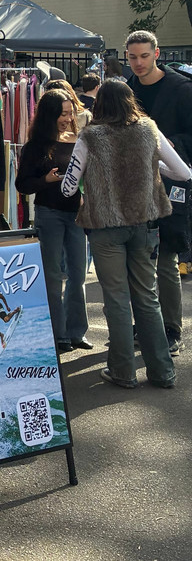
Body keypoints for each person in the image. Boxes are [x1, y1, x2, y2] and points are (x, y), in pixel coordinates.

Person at [61, 79, 190, 388]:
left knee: (117, 300)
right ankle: (163, 372)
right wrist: (152, 168)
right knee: (147, 297)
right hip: (144, 225)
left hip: (105, 228)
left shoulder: (90, 136)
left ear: (100, 105)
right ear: (131, 101)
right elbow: (184, 172)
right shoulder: (149, 130)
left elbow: (68, 187)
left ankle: (123, 371)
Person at [126, 29, 192, 357]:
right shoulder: (127, 90)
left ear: (157, 53)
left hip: (171, 184)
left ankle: (171, 330)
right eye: (132, 57)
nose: (138, 62)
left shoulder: (181, 89)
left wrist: (167, 146)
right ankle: (146, 324)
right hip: (134, 187)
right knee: (138, 259)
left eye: (144, 56)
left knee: (166, 259)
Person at [15, 89, 91, 352]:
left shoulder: (79, 141)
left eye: (70, 113)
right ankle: (58, 334)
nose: (68, 119)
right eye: (63, 114)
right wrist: (45, 180)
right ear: (49, 115)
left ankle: (76, 332)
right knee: (52, 276)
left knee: (78, 274)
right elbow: (22, 184)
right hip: (49, 214)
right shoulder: (35, 146)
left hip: (77, 215)